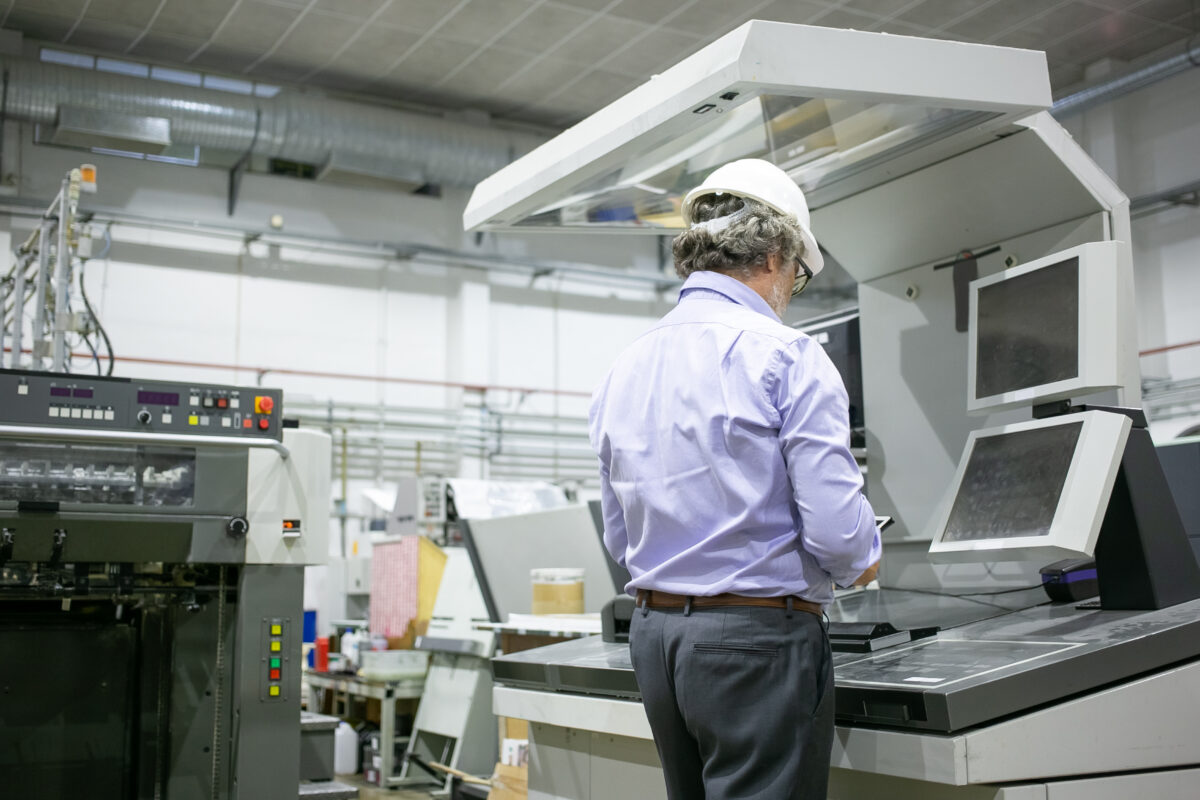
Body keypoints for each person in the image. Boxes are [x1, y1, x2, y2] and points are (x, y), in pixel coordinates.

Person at [588, 158, 882, 799]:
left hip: (656, 637)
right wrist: (865, 560)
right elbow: (838, 536)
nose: (790, 292)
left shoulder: (624, 366)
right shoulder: (788, 356)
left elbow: (619, 533)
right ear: (777, 254)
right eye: (799, 277)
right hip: (755, 644)